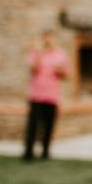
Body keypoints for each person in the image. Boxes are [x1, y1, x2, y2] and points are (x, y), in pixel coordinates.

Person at [22, 29, 68, 161]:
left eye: (51, 38)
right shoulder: (34, 53)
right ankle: (28, 153)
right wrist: (40, 53)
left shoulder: (60, 54)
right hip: (36, 96)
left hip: (52, 96)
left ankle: (45, 153)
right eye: (46, 38)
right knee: (33, 126)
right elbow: (33, 69)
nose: (48, 41)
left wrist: (61, 71)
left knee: (49, 126)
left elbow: (65, 75)